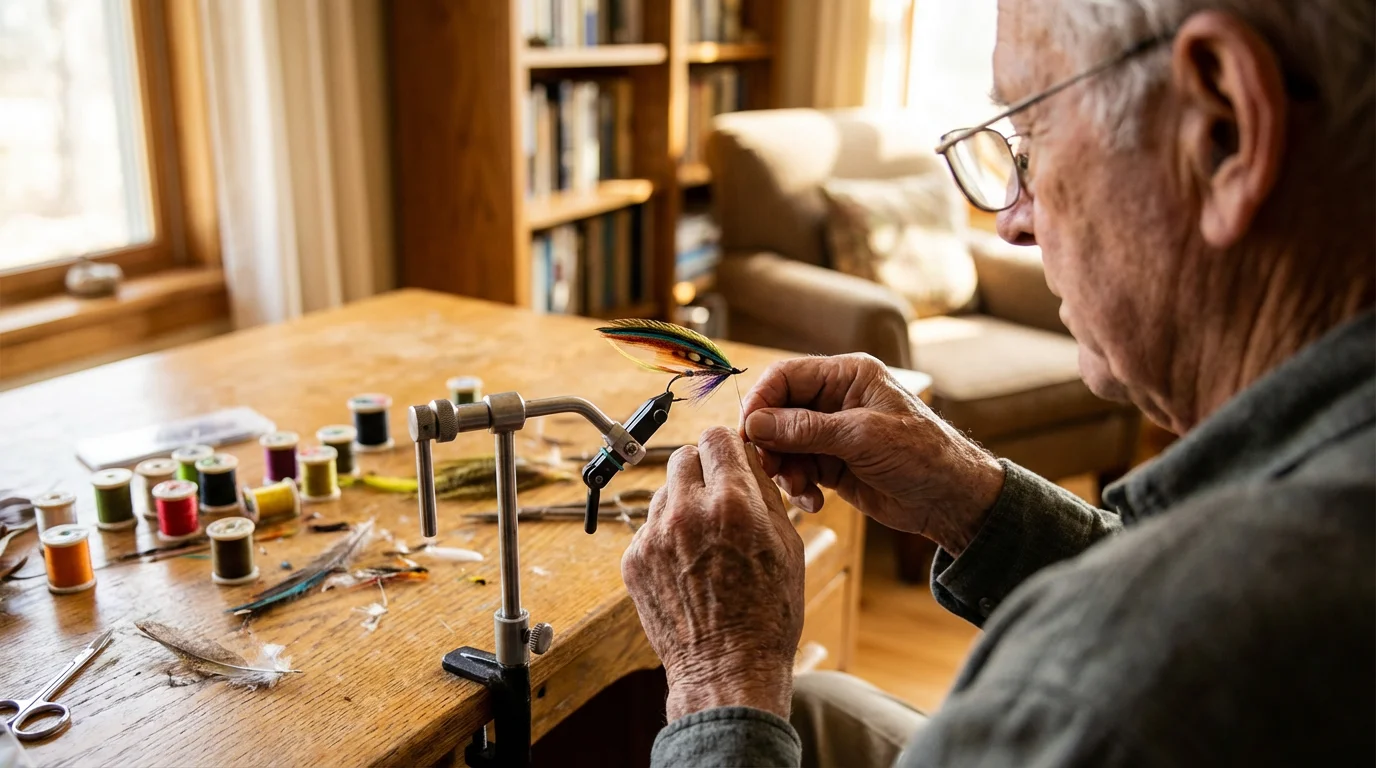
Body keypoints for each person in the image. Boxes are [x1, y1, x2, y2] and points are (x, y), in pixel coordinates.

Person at [621, 0, 1375, 765]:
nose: (1013, 218)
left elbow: (1155, 632)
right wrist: (970, 495)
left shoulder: (1110, 696)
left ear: (1223, 131)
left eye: (1030, 137)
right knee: (816, 709)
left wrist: (720, 681)